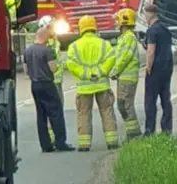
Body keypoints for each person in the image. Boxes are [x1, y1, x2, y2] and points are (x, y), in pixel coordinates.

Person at [65, 15, 119, 151]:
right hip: (102, 84)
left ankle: (84, 144)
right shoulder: (104, 44)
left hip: (84, 88)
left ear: (81, 29)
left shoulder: (74, 46)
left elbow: (71, 64)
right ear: (94, 27)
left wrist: (86, 74)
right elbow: (111, 59)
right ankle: (112, 142)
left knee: (84, 114)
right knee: (107, 111)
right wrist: (98, 72)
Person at [23, 28, 74, 153]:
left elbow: (26, 70)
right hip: (47, 84)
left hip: (35, 85)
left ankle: (45, 145)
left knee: (41, 115)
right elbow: (53, 68)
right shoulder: (47, 50)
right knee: (56, 112)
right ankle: (60, 142)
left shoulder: (27, 51)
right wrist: (56, 66)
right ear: (45, 37)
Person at [110, 8, 142, 141]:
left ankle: (134, 133)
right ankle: (133, 132)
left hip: (127, 78)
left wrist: (115, 71)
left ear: (124, 21)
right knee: (123, 105)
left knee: (125, 105)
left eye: (117, 20)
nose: (116, 23)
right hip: (123, 77)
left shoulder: (129, 37)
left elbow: (125, 57)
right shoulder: (124, 37)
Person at [143, 4, 174, 136]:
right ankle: (167, 129)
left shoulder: (152, 31)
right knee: (165, 99)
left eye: (145, 14)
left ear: (150, 14)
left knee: (150, 101)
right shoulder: (165, 29)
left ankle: (150, 130)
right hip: (167, 68)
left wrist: (148, 67)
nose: (144, 17)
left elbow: (151, 51)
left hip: (155, 69)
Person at [37, 15, 64, 146]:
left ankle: (55, 138)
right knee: (52, 112)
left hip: (57, 81)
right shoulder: (46, 44)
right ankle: (54, 138)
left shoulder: (54, 41)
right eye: (51, 26)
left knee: (56, 110)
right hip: (51, 81)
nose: (54, 29)